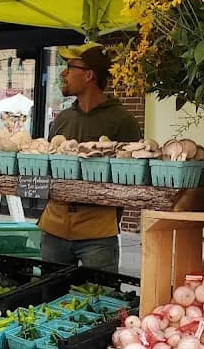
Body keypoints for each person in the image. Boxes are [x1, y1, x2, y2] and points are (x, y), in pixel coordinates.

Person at [38, 43, 140, 273]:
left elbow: (131, 178)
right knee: (49, 299)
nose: (64, 73)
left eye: (69, 67)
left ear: (89, 75)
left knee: (100, 298)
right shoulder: (61, 120)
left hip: (98, 234)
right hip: (53, 229)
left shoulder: (123, 121)